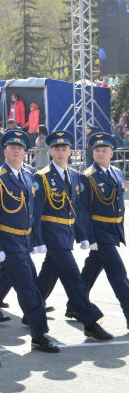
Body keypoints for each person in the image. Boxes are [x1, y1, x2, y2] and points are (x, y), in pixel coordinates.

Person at [0, 130, 60, 353]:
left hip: (24, 240)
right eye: (12, 147)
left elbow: (32, 211)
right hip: (9, 241)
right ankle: (39, 334)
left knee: (1, 283)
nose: (16, 151)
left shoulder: (28, 175)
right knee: (29, 287)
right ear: (4, 151)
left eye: (20, 148)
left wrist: (36, 239)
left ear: (25, 153)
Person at [32, 131, 113, 341]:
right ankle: (90, 321)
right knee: (73, 278)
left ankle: (31, 311)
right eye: (56, 149)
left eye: (64, 149)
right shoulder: (41, 177)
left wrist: (83, 235)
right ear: (50, 152)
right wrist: (37, 240)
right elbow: (37, 212)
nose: (60, 152)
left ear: (70, 151)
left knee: (48, 274)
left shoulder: (76, 176)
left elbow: (78, 209)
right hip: (52, 235)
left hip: (66, 234)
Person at [74, 133, 129, 329]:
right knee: (118, 273)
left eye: (104, 151)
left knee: (92, 268)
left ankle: (74, 305)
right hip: (99, 232)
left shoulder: (116, 173)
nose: (100, 153)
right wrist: (89, 237)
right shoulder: (87, 176)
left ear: (111, 154)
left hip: (112, 230)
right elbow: (82, 210)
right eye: (97, 150)